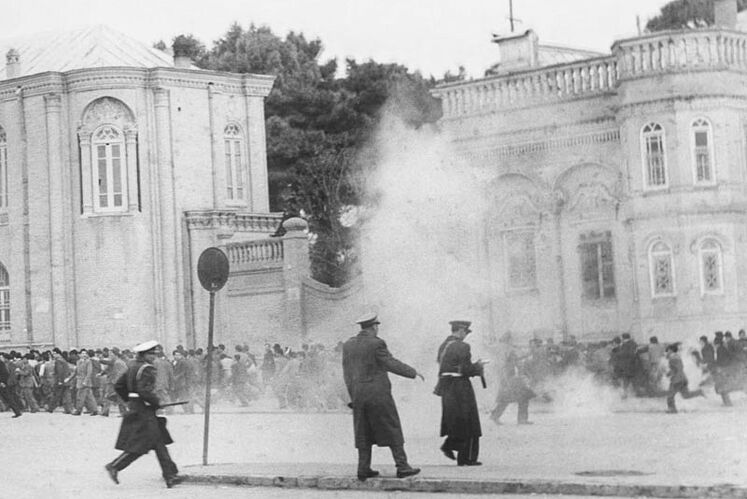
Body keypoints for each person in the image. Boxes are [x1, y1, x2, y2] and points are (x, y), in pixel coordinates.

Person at [342, 313, 424, 481]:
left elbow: (347, 374)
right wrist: (413, 372)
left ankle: (363, 469)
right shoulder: (377, 343)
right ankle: (402, 466)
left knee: (363, 431)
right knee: (392, 427)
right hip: (378, 395)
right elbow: (390, 363)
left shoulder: (348, 345)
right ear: (374, 327)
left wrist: (352, 397)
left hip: (359, 395)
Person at [104, 340, 181, 488]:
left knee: (156, 442)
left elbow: (119, 385)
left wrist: (130, 399)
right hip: (145, 411)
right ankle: (115, 466)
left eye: (155, 353)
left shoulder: (132, 367)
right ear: (144, 355)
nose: (154, 357)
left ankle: (170, 475)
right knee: (145, 443)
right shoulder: (147, 369)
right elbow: (144, 390)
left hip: (136, 408)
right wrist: (155, 402)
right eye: (151, 354)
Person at [435, 320, 485, 466]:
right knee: (470, 421)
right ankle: (466, 457)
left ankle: (451, 445)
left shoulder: (444, 345)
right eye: (465, 333)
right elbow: (466, 369)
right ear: (461, 331)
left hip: (446, 386)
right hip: (460, 387)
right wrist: (478, 367)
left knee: (456, 420)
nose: (466, 336)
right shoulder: (463, 346)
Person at [491, 334, 535, 425]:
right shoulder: (508, 350)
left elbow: (514, 360)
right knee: (522, 398)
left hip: (509, 379)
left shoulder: (502, 349)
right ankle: (521, 419)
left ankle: (495, 415)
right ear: (508, 340)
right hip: (511, 379)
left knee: (507, 399)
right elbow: (514, 360)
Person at [665, 343, 704, 413]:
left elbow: (675, 369)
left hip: (676, 380)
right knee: (686, 395)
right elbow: (680, 367)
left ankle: (672, 409)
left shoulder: (672, 358)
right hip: (683, 378)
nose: (667, 352)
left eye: (667, 351)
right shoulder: (678, 357)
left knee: (670, 395)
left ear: (671, 350)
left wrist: (669, 373)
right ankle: (699, 392)